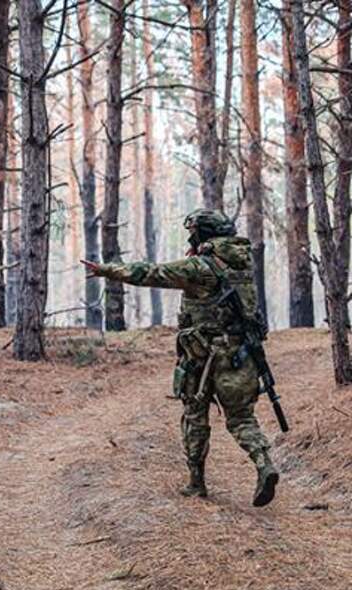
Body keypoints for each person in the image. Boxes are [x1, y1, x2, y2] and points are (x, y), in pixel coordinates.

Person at [82, 208, 280, 507]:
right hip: (241, 354)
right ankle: (264, 464)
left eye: (193, 233)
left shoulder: (200, 267)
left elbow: (150, 273)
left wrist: (106, 270)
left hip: (202, 357)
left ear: (204, 234)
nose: (190, 238)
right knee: (241, 418)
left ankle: (196, 482)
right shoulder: (243, 261)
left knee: (194, 415)